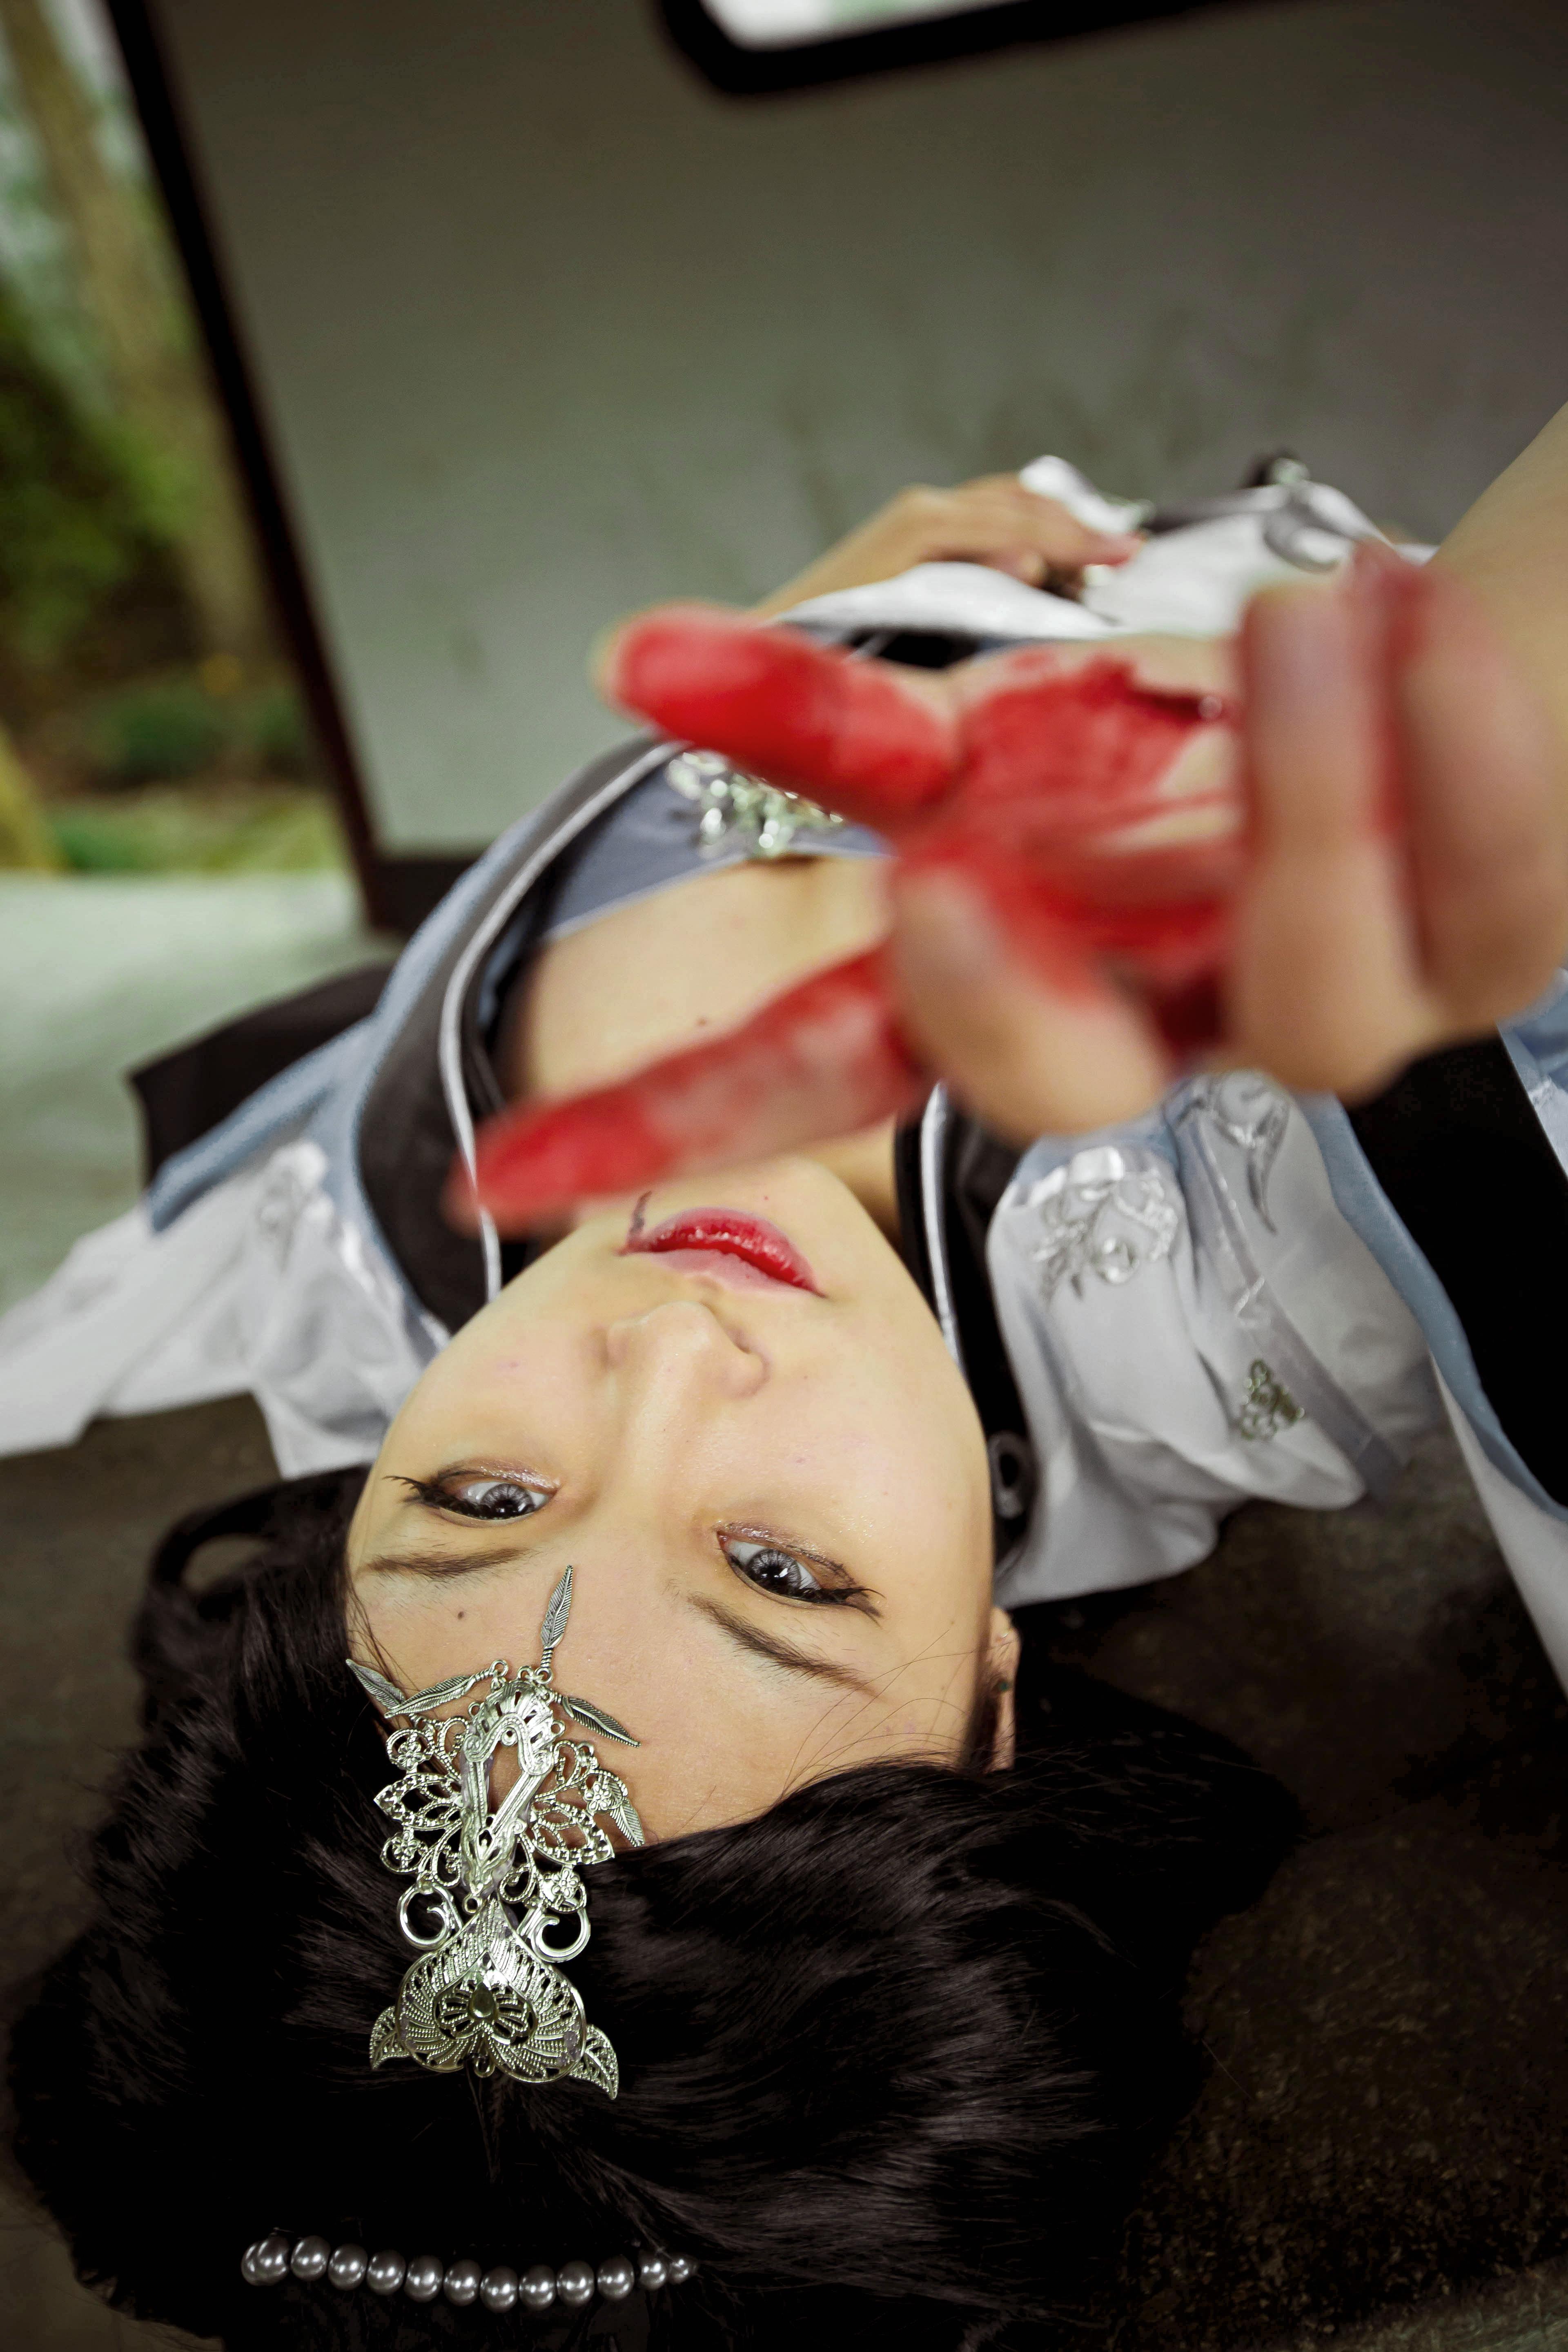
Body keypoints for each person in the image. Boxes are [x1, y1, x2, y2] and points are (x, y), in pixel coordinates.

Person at [7, 419, 1568, 2350]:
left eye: (483, 1501)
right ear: (991, 1702)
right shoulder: (1259, 1248)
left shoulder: (340, 1250)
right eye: (782, 1572)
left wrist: (820, 631)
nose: (663, 1351)